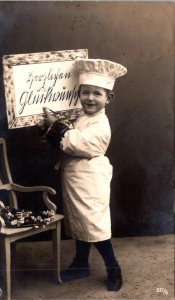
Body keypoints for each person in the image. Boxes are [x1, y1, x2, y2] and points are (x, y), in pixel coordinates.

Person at [38, 58, 127, 291]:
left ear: (109, 98)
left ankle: (113, 268)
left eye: (97, 93)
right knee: (79, 222)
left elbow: (73, 142)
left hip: (91, 180)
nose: (89, 98)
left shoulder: (101, 125)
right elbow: (62, 141)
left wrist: (56, 127)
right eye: (85, 92)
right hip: (75, 177)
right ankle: (80, 264)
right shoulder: (81, 117)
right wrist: (48, 126)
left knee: (93, 225)